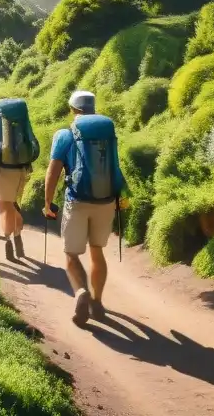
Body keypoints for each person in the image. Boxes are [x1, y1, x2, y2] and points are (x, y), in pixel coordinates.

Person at [43, 90, 126, 328]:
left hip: (77, 201)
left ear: (73, 110)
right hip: (106, 201)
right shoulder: (106, 133)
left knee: (71, 255)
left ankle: (81, 292)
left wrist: (47, 203)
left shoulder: (65, 135)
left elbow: (53, 172)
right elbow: (114, 167)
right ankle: (97, 301)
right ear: (93, 108)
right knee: (97, 251)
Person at [0, 98, 39, 262]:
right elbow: (33, 145)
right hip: (22, 169)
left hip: (2, 170)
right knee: (14, 204)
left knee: (5, 207)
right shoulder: (22, 118)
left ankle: (8, 241)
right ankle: (18, 237)